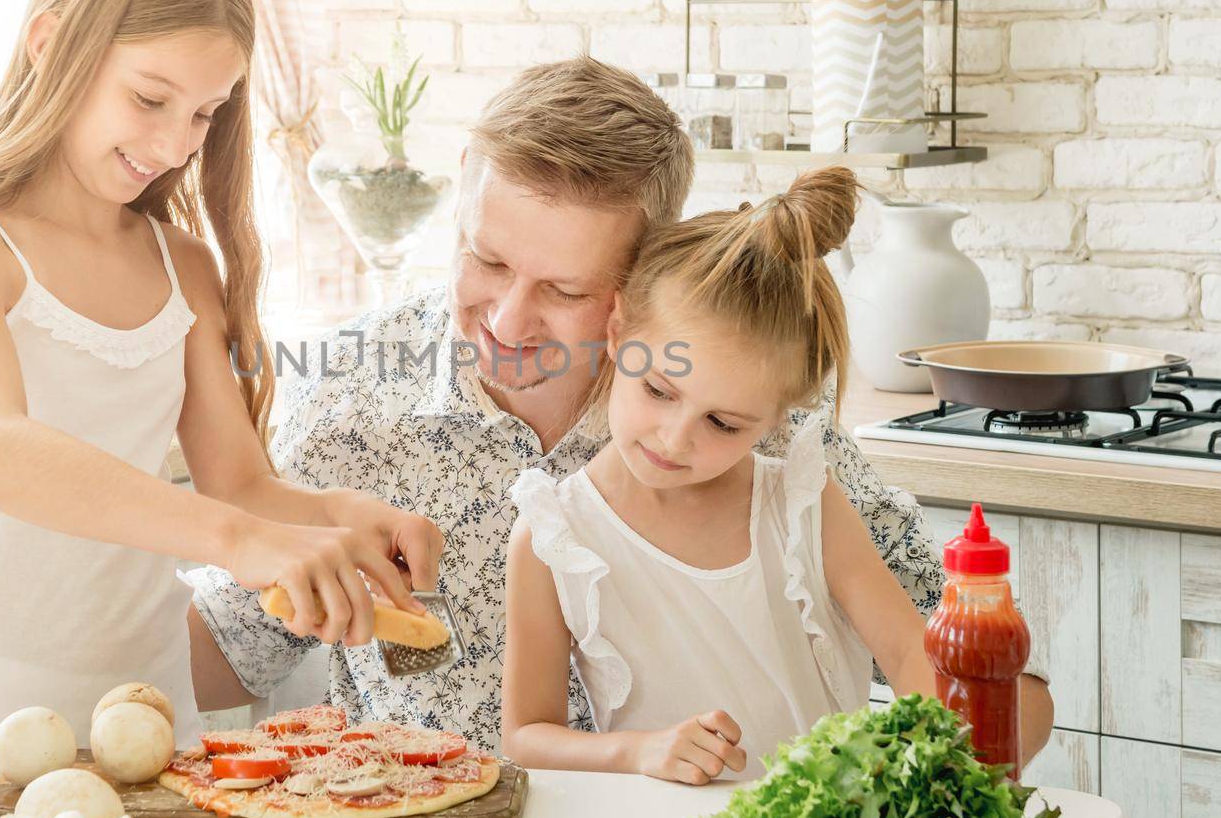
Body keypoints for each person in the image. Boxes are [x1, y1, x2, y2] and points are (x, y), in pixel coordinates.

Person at [189, 56, 1012, 751]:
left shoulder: (740, 414)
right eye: (487, 261)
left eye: (566, 290)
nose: (509, 322)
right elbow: (231, 642)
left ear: (636, 288)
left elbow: (966, 671)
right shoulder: (352, 394)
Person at [0, 0, 439, 753]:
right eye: (151, 99)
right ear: (51, 46)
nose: (174, 146)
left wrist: (340, 520)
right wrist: (243, 541)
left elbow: (238, 483)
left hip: (153, 730)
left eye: (205, 114)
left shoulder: (183, 268)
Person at [501, 167, 1054, 782]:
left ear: (775, 419)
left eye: (724, 424)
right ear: (618, 334)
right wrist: (638, 751)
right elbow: (527, 736)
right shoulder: (554, 536)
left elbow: (905, 652)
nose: (674, 437)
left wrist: (951, 762)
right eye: (658, 390)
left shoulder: (802, 503)